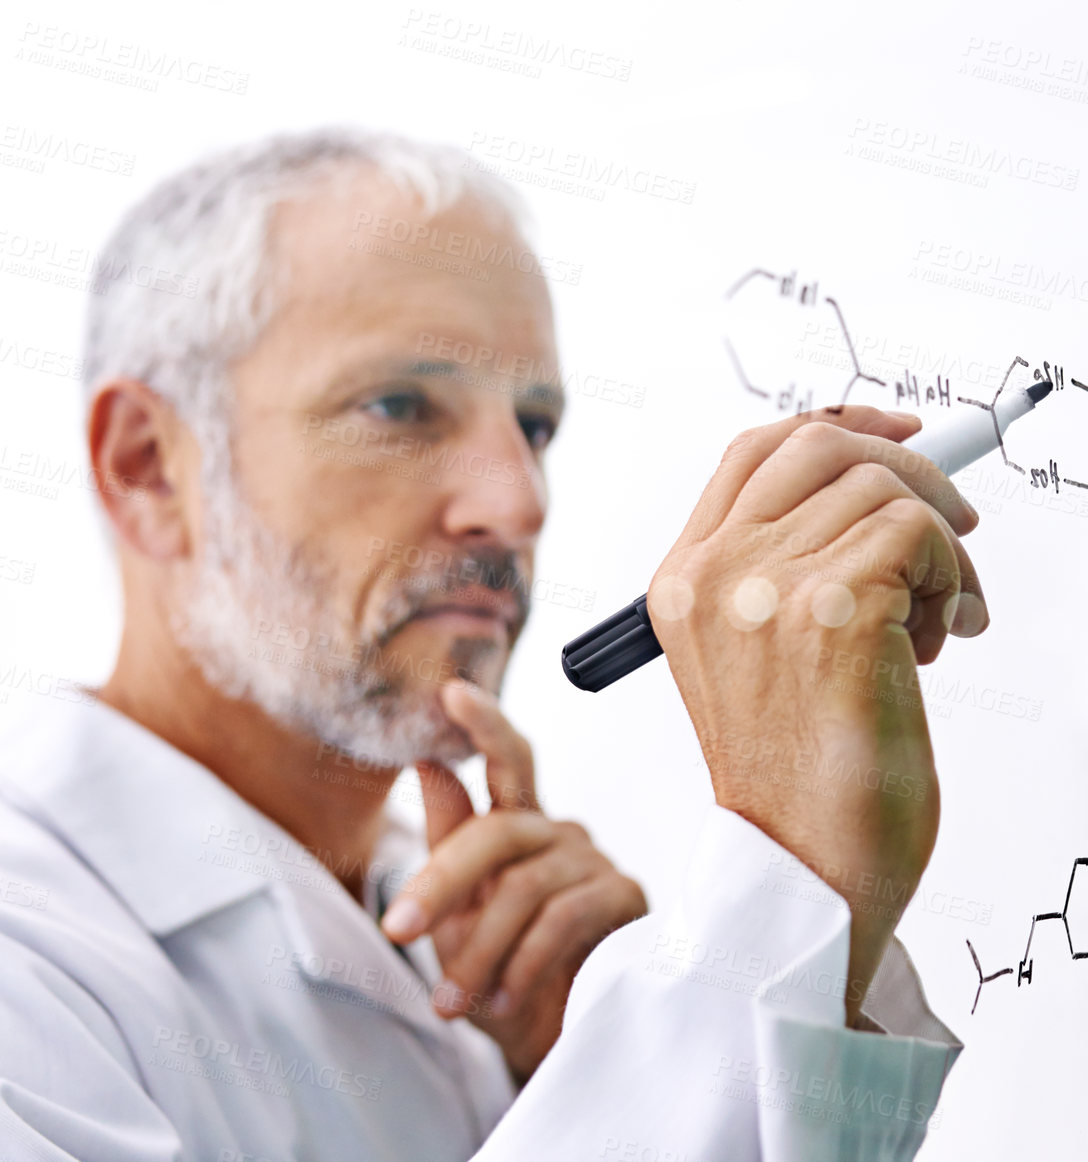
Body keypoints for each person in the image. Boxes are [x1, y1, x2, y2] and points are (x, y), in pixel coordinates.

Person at [0, 128, 992, 1161]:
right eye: (399, 405)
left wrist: (572, 1069)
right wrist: (770, 901)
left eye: (535, 424)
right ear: (148, 466)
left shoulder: (480, 968)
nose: (515, 502)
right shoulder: (27, 959)